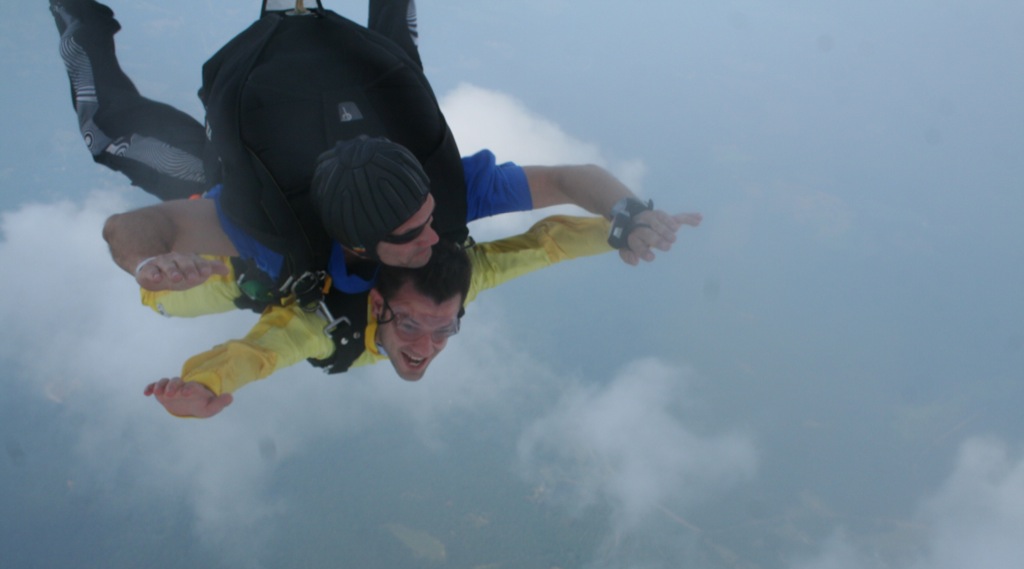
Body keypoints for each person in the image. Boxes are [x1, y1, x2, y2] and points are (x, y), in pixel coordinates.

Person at [51, 0, 693, 305]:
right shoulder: (280, 226)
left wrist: (146, 266)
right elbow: (132, 231)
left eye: (420, 224)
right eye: (421, 230)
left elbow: (573, 178)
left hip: (275, 158)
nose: (434, 238)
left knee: (111, 130)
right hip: (268, 160)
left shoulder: (282, 233)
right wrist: (627, 214)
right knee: (397, 61)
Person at [141, 212, 695, 418]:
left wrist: (620, 229)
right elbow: (260, 354)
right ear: (378, 305)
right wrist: (205, 382)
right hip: (245, 264)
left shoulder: (460, 284)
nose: (426, 346)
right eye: (411, 324)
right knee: (158, 293)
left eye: (441, 329)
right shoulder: (320, 329)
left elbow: (545, 245)